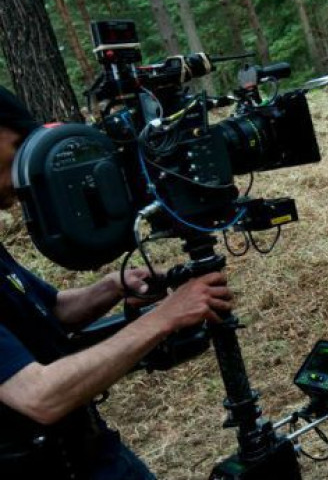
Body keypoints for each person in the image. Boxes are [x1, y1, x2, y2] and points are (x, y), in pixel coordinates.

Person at [0, 84, 234, 477]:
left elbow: (49, 311)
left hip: (94, 451)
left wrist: (112, 286)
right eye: (17, 144)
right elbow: (39, 396)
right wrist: (165, 318)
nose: (24, 163)